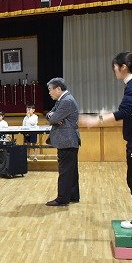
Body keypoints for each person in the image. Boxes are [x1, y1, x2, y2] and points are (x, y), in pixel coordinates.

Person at [82, 52, 132, 229]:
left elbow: (124, 112)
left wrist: (96, 120)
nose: (114, 71)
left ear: (123, 67)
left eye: (115, 67)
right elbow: (130, 110)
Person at [45, 77, 80, 206]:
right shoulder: (62, 99)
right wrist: (52, 116)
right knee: (71, 171)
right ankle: (73, 196)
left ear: (58, 89)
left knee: (65, 171)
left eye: (50, 89)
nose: (49, 92)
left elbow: (53, 119)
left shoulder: (66, 101)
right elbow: (50, 114)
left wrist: (53, 117)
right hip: (68, 140)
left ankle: (62, 199)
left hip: (67, 140)